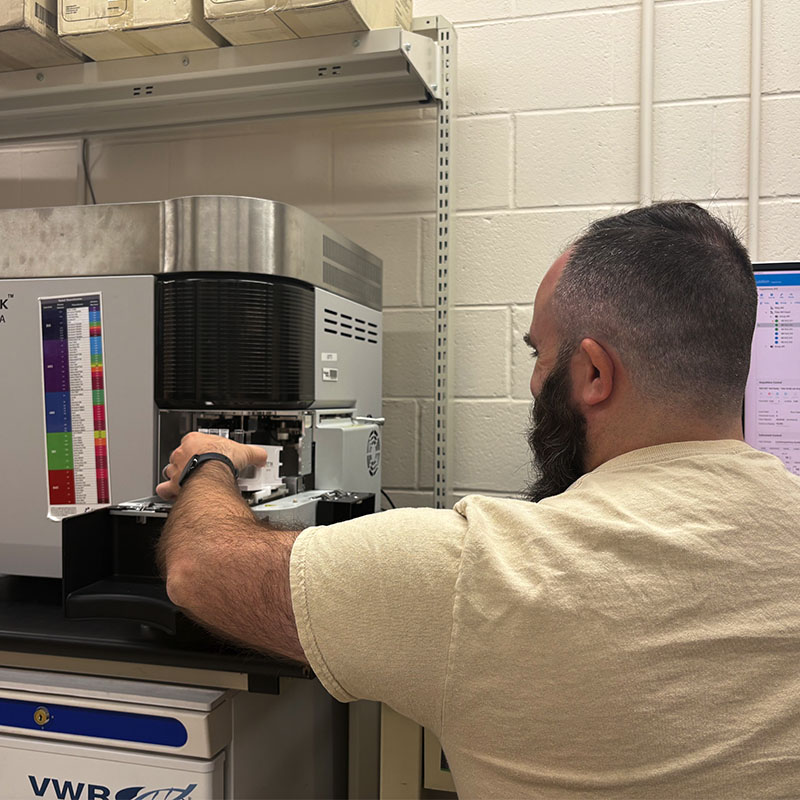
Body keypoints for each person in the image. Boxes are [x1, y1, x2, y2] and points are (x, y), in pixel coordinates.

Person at [157, 202, 800, 798]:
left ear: (595, 375)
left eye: (539, 354)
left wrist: (208, 462)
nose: (532, 381)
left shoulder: (488, 573)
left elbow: (200, 569)